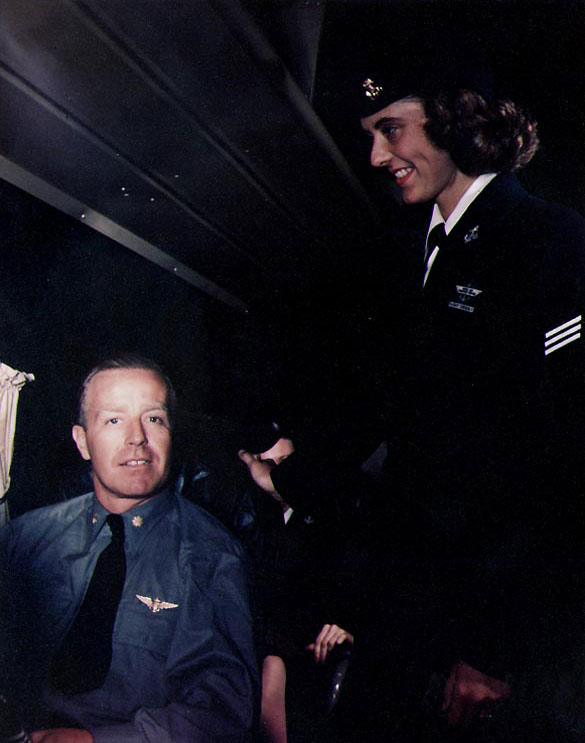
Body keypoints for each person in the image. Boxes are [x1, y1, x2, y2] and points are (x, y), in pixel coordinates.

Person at [343, 60, 585, 740]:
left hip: (481, 631)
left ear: (456, 123)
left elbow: (561, 465)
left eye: (390, 130)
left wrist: (493, 648)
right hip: (412, 610)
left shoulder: (547, 239)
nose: (374, 156)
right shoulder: (420, 249)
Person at [0, 355, 260, 743]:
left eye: (153, 418)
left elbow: (221, 712)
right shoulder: (26, 538)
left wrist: (95, 741)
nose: (137, 437)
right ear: (82, 441)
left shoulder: (211, 556)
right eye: (113, 420)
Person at [237, 420, 356, 743]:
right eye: (267, 464)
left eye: (285, 464)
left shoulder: (335, 519)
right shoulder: (251, 522)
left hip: (314, 650)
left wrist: (345, 625)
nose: (275, 474)